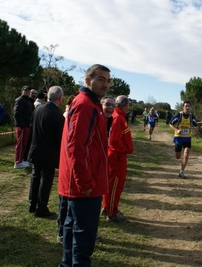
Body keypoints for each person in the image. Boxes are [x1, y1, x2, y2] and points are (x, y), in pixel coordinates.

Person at [58, 64, 111, 267]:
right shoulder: (85, 105)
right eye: (100, 79)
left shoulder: (91, 104)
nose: (105, 84)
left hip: (83, 184)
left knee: (73, 231)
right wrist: (85, 182)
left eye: (108, 80)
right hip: (84, 186)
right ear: (88, 80)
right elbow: (76, 147)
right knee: (83, 239)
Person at [28, 86, 64, 217]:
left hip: (36, 149)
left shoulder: (37, 109)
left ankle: (32, 204)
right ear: (60, 98)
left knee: (35, 176)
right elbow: (60, 137)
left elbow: (32, 128)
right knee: (46, 180)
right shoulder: (57, 115)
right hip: (48, 153)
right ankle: (41, 208)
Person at [102, 95, 134, 222]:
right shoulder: (118, 118)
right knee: (115, 185)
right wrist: (126, 149)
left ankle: (107, 207)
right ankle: (112, 212)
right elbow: (114, 140)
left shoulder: (119, 116)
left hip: (117, 156)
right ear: (125, 104)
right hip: (117, 157)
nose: (129, 106)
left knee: (112, 184)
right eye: (128, 104)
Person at [169, 101, 198, 178]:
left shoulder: (191, 116)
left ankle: (182, 171)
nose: (187, 108)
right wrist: (176, 130)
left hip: (187, 138)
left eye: (189, 106)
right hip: (178, 138)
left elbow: (195, 124)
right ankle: (177, 151)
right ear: (183, 107)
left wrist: (196, 128)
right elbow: (170, 124)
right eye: (186, 106)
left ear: (190, 107)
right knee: (178, 157)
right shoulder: (178, 115)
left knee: (186, 153)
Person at [13, 85, 34, 169]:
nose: (27, 92)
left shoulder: (28, 100)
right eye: (25, 90)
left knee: (24, 144)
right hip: (22, 126)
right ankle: (17, 161)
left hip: (27, 125)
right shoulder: (20, 100)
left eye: (28, 90)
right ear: (22, 91)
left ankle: (21, 160)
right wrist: (22, 125)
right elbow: (17, 113)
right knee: (20, 144)